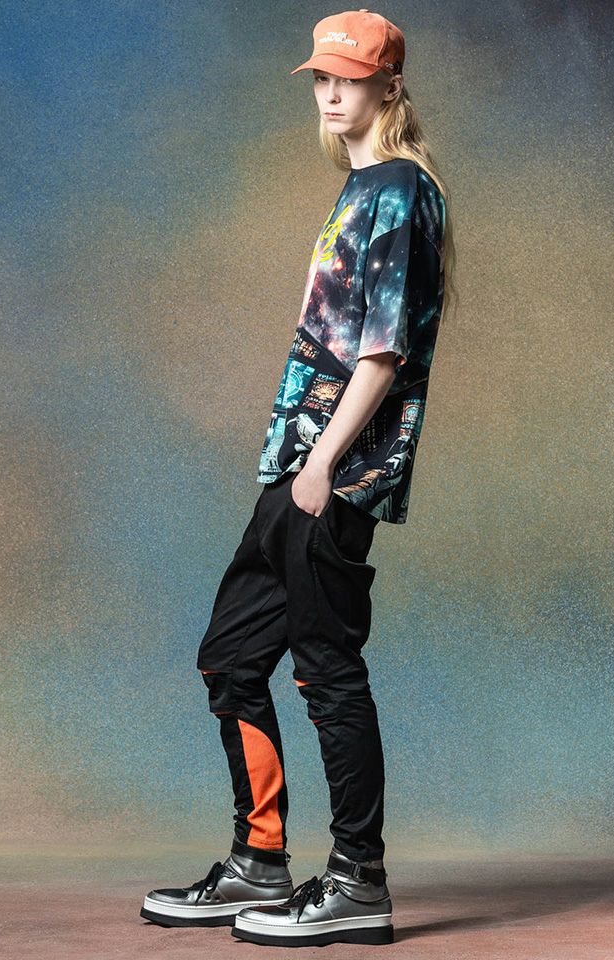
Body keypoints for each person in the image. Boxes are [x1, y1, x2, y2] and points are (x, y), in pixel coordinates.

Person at [141, 7, 455, 948]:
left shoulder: (398, 189)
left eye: (349, 79)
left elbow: (384, 352)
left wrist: (321, 465)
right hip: (297, 470)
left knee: (327, 674)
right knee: (233, 659)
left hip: (335, 477)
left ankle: (359, 882)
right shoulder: (360, 189)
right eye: (322, 76)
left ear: (388, 86)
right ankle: (259, 860)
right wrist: (297, 465)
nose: (330, 92)